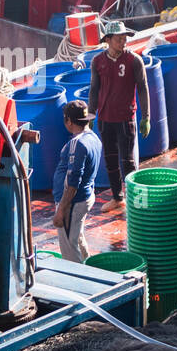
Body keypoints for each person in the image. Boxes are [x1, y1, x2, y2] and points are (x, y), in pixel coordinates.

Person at [89, 21, 150, 211]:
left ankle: (137, 200)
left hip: (126, 119)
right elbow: (94, 89)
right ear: (108, 40)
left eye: (125, 39)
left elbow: (142, 88)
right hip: (105, 119)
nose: (123, 42)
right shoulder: (97, 61)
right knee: (111, 160)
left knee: (128, 161)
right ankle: (117, 197)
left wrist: (146, 116)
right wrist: (91, 114)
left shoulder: (134, 60)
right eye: (119, 39)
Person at [53, 99, 103, 263]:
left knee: (69, 247)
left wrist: (61, 210)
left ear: (68, 121)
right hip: (85, 197)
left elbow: (73, 181)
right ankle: (89, 266)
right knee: (77, 236)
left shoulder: (77, 143)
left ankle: (78, 281)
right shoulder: (93, 138)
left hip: (73, 202)